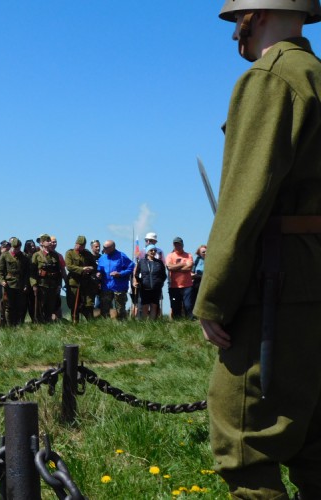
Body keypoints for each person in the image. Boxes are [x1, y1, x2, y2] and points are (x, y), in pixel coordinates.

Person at [195, 2, 321, 496]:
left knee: (244, 443)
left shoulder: (270, 78)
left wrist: (214, 297)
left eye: (237, 21)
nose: (235, 34)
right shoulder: (315, 75)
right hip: (311, 276)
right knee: (314, 444)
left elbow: (243, 201)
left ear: (257, 15)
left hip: (276, 280)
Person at [29, 234, 65, 324]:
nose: (49, 243)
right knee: (41, 306)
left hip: (52, 285)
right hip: (41, 284)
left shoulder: (55, 255)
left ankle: (48, 323)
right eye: (47, 241)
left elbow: (58, 272)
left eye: (50, 241)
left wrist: (59, 284)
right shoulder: (36, 255)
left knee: (50, 306)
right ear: (42, 243)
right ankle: (40, 324)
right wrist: (34, 285)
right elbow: (32, 272)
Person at [96, 240, 135, 319]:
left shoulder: (121, 256)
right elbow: (99, 269)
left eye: (106, 248)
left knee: (120, 310)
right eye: (103, 247)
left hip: (119, 287)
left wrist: (120, 274)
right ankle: (105, 324)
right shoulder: (102, 258)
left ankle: (121, 324)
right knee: (104, 309)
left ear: (112, 247)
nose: (103, 249)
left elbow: (131, 268)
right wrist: (98, 273)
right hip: (106, 287)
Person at [0, 237, 28, 326]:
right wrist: (2, 281)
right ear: (11, 247)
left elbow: (27, 272)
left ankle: (17, 324)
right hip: (8, 284)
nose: (16, 250)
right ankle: (9, 325)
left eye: (18, 248)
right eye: (14, 248)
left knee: (19, 305)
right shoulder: (5, 255)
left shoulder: (24, 256)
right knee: (8, 306)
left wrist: (26, 284)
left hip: (20, 284)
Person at [65, 235, 98, 322]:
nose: (80, 247)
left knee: (88, 304)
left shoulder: (87, 254)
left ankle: (91, 324)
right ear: (76, 244)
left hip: (86, 283)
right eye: (79, 245)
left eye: (83, 246)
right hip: (74, 283)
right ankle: (75, 323)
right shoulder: (70, 253)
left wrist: (90, 268)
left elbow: (94, 266)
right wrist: (82, 269)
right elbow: (69, 266)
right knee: (74, 304)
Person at [135, 244, 166, 320]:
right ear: (147, 252)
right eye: (151, 250)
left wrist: (159, 283)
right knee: (145, 306)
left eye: (155, 250)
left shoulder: (159, 262)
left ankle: (152, 323)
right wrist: (140, 282)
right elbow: (137, 274)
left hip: (156, 288)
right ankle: (143, 323)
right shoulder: (142, 262)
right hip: (145, 288)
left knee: (154, 305)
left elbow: (164, 275)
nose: (153, 252)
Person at [165, 237, 194, 319]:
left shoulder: (188, 255)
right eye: (175, 244)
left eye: (179, 244)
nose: (177, 246)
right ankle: (177, 323)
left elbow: (189, 268)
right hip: (174, 286)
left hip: (187, 286)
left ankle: (189, 322)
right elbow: (169, 267)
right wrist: (183, 264)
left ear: (182, 245)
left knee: (188, 306)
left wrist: (175, 268)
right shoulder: (170, 256)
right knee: (175, 306)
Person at [190, 244, 206, 313]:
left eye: (206, 251)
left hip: (206, 282)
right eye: (203, 252)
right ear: (199, 253)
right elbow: (191, 273)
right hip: (197, 282)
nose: (205, 253)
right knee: (195, 298)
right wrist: (196, 276)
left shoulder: (211, 260)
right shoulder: (197, 261)